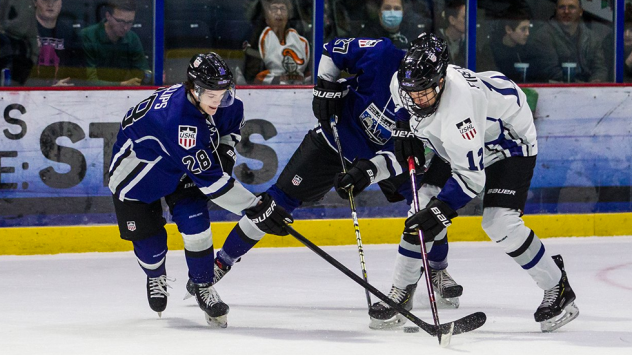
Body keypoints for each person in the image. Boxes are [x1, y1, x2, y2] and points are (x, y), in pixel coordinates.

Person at [184, 36, 464, 328]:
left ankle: (437, 269)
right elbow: (333, 50)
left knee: (427, 205)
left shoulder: (445, 94)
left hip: (390, 154)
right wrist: (325, 86)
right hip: (336, 140)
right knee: (275, 203)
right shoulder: (382, 54)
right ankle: (221, 263)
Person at [386, 32, 579, 332]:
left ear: (441, 81)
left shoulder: (459, 109)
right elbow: (399, 99)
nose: (417, 99)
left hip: (508, 142)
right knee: (418, 206)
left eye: (424, 92)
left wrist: (441, 212)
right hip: (464, 139)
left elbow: (471, 178)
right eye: (413, 92)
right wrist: (402, 127)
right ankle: (400, 291)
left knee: (499, 222)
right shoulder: (407, 80)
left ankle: (558, 286)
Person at [108, 52, 293, 328]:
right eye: (212, 96)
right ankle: (155, 274)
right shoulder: (178, 123)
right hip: (138, 177)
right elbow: (215, 185)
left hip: (182, 168)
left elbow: (229, 131)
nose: (219, 102)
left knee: (196, 223)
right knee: (151, 247)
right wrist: (256, 208)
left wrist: (226, 152)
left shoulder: (224, 102)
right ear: (194, 90)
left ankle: (203, 285)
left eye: (224, 93)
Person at [528, 0, 607, 83]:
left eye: (571, 7)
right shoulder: (544, 36)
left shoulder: (592, 38)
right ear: (556, 10)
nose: (566, 11)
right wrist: (583, 87)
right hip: (556, 91)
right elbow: (551, 71)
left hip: (591, 92)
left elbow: (600, 68)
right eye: (562, 7)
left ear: (580, 12)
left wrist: (596, 81)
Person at [80, 0, 150, 86]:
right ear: (108, 16)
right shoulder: (87, 36)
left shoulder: (132, 38)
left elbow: (144, 72)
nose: (125, 27)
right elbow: (89, 81)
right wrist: (122, 85)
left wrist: (146, 77)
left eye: (130, 22)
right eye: (120, 21)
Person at [246, 0, 310, 85]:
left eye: (282, 9)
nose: (279, 13)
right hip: (268, 94)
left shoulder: (300, 40)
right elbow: (252, 76)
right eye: (274, 9)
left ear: (288, 15)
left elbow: (308, 75)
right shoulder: (259, 39)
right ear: (266, 15)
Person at [30, 0, 84, 86]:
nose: (50, 4)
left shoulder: (70, 34)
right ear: (35, 2)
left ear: (61, 3)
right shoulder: (23, 32)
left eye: (55, 0)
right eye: (45, 0)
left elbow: (78, 73)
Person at [478, 6, 533, 83]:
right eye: (523, 29)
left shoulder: (528, 49)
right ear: (508, 29)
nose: (527, 33)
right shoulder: (490, 50)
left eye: (528, 29)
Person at [358, 0, 430, 50]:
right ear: (379, 11)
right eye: (387, 8)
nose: (392, 12)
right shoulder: (367, 35)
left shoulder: (414, 32)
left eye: (397, 9)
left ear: (402, 12)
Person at [0, 0, 39, 85]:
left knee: (11, 91)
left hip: (24, 53)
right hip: (14, 51)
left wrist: (2, 26)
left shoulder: (22, 2)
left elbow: (22, 27)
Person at [436, 0, 466, 67]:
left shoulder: (469, 43)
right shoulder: (436, 42)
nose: (469, 21)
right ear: (452, 20)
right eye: (464, 18)